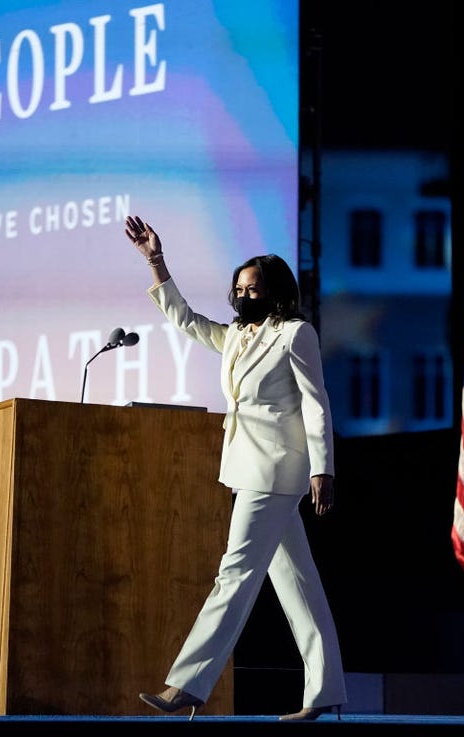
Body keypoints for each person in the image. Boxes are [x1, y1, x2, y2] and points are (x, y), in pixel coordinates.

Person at [123, 214, 347, 721]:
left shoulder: (295, 334)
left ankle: (188, 683)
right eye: (239, 288)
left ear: (275, 291)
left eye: (253, 288)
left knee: (235, 573)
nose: (244, 295)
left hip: (277, 471)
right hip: (248, 468)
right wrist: (156, 262)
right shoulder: (239, 338)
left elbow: (316, 404)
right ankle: (325, 691)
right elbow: (187, 321)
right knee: (298, 584)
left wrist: (323, 469)